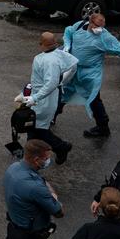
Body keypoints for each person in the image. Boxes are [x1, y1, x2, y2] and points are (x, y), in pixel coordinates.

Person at [60, 12, 120, 138]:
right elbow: (68, 32)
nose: (100, 29)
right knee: (62, 91)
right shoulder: (79, 26)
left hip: (89, 74)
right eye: (97, 26)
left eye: (102, 26)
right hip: (72, 69)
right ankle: (51, 116)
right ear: (90, 22)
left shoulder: (105, 37)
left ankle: (103, 127)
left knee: (94, 99)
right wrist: (67, 45)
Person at [2, 139, 64, 239]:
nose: (48, 161)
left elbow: (41, 181)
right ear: (37, 160)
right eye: (46, 158)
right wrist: (53, 195)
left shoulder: (13, 168)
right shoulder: (35, 187)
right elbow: (59, 211)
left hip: (14, 230)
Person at [17, 32, 78, 164]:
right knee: (36, 128)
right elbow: (72, 67)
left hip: (44, 100)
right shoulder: (58, 54)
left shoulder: (48, 60)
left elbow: (50, 83)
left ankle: (60, 147)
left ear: (41, 44)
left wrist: (35, 98)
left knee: (36, 128)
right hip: (47, 98)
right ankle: (31, 155)